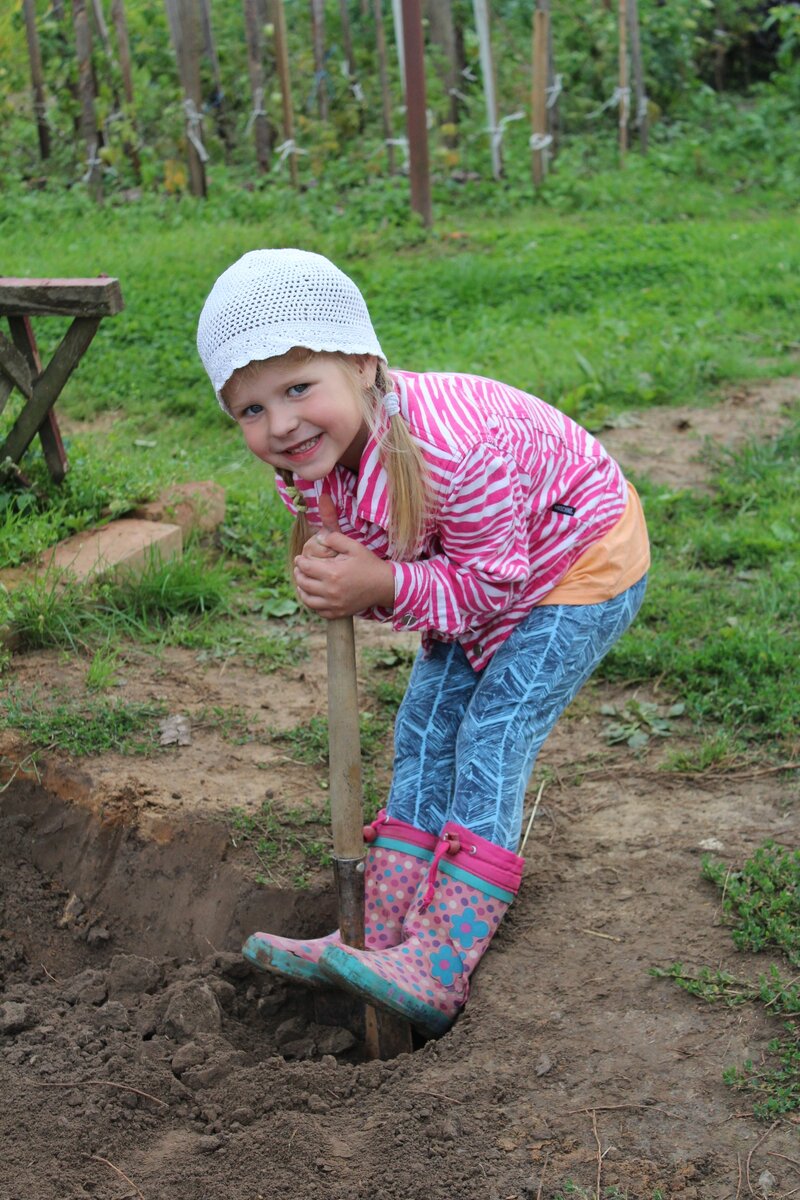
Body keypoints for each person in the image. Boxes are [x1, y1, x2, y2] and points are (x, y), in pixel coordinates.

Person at [196, 248, 649, 1038]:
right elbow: (406, 573)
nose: (281, 425)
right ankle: (382, 934)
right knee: (424, 728)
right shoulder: (310, 461)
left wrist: (379, 586)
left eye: (299, 388)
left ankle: (439, 960)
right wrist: (355, 583)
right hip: (473, 569)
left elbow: (494, 586)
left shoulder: (454, 450)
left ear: (365, 365)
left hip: (576, 562)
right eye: (251, 410)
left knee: (492, 734)